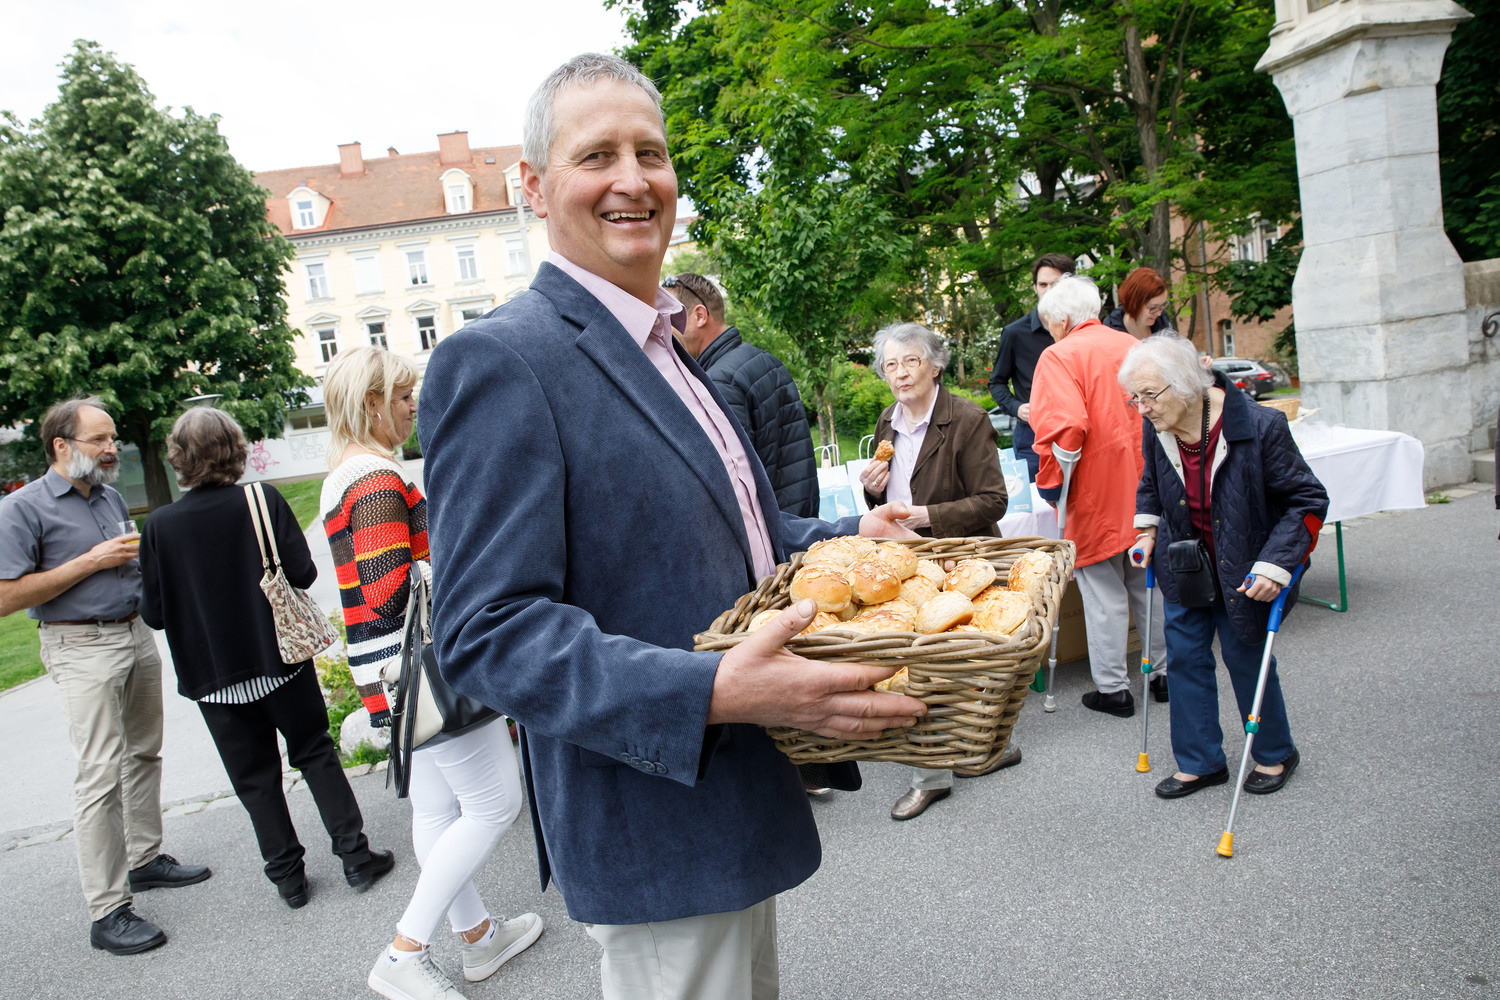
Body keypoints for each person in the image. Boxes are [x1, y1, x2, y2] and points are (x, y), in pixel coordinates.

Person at [417, 53, 926, 1000]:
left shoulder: (665, 346)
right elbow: (488, 633)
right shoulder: (501, 361)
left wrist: (849, 538)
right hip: (654, 825)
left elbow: (738, 534)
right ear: (533, 186)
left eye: (649, 153)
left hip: (729, 802)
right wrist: (711, 691)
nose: (633, 179)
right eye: (596, 155)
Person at [318, 347, 542, 1000]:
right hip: (425, 670)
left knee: (438, 808)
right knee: (496, 803)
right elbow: (391, 589)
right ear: (370, 404)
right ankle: (405, 951)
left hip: (390, 671)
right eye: (402, 395)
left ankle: (478, 937)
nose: (412, 405)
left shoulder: (344, 475)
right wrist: (461, 561)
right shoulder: (374, 479)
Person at [138, 407, 394, 910]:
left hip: (213, 678)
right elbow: (303, 574)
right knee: (315, 753)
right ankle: (355, 857)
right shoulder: (260, 500)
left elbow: (155, 614)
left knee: (254, 779)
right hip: (280, 659)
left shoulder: (159, 526)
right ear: (236, 450)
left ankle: (289, 880)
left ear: (178, 458)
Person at [0, 397, 210, 955]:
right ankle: (107, 910)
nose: (112, 448)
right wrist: (89, 562)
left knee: (144, 752)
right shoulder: (22, 508)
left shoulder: (109, 496)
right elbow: (5, 597)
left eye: (113, 437)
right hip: (79, 644)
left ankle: (144, 859)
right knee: (99, 774)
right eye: (99, 440)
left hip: (133, 634)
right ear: (61, 446)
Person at [1120, 334, 1328, 798]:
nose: (1142, 408)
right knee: (1185, 657)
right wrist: (1147, 529)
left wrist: (1275, 564)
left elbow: (1308, 500)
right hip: (1185, 562)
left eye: (1149, 395)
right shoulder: (1158, 427)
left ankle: (1276, 752)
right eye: (1134, 398)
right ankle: (1200, 762)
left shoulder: (1260, 426)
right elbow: (1152, 480)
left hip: (1247, 564)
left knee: (1244, 655)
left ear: (1186, 384)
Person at [859, 322, 1011, 821]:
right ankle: (939, 770)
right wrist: (873, 490)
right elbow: (886, 496)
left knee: (958, 662)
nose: (900, 373)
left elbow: (993, 501)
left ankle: (971, 752)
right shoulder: (887, 420)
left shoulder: (967, 418)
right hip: (909, 561)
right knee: (918, 664)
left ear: (935, 365)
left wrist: (927, 516)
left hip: (958, 560)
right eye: (891, 365)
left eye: (911, 361)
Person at [1029, 276, 1169, 718]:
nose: (1050, 332)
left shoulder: (1058, 356)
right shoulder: (1132, 345)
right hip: (1145, 482)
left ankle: (1114, 689)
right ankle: (1164, 674)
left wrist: (1052, 483)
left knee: (1102, 590)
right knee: (1147, 582)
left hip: (1094, 489)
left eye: (1050, 324)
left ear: (1063, 320)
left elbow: (1065, 428)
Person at [665, 271, 819, 518]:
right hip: (799, 524)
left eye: (670, 317)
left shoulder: (716, 383)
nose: (665, 328)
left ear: (700, 316)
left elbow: (730, 485)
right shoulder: (765, 360)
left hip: (769, 532)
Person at [989, 252, 1076, 479]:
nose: (1049, 290)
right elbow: (996, 382)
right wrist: (1016, 407)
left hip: (1078, 433)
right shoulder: (1015, 333)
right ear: (1035, 288)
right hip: (1033, 439)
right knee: (1037, 501)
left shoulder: (1079, 330)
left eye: (1056, 284)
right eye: (1043, 284)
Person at [1102, 267, 1172, 339]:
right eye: (1153, 307)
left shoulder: (1162, 322)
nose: (1159, 313)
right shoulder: (1111, 333)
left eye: (1162, 305)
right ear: (1134, 303)